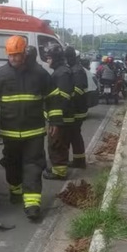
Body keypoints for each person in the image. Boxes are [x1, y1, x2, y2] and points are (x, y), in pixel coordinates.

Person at [0, 36, 53, 220]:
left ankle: (32, 204)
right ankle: (15, 190)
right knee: (12, 165)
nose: (14, 58)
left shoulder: (39, 74)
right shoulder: (1, 75)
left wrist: (55, 120)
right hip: (10, 132)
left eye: (17, 55)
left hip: (34, 131)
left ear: (24, 52)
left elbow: (53, 96)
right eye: (11, 55)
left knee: (33, 166)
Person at [43, 45, 74, 180]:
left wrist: (56, 117)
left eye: (49, 58)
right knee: (57, 143)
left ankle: (59, 172)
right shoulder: (60, 71)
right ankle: (57, 168)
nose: (47, 61)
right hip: (60, 116)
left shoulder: (61, 73)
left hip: (60, 117)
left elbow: (62, 97)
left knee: (56, 144)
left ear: (55, 59)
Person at [65, 46, 88, 169]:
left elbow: (79, 90)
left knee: (75, 135)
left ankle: (79, 161)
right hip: (77, 108)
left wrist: (68, 97)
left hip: (77, 109)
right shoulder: (74, 68)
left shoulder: (77, 70)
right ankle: (78, 160)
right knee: (74, 135)